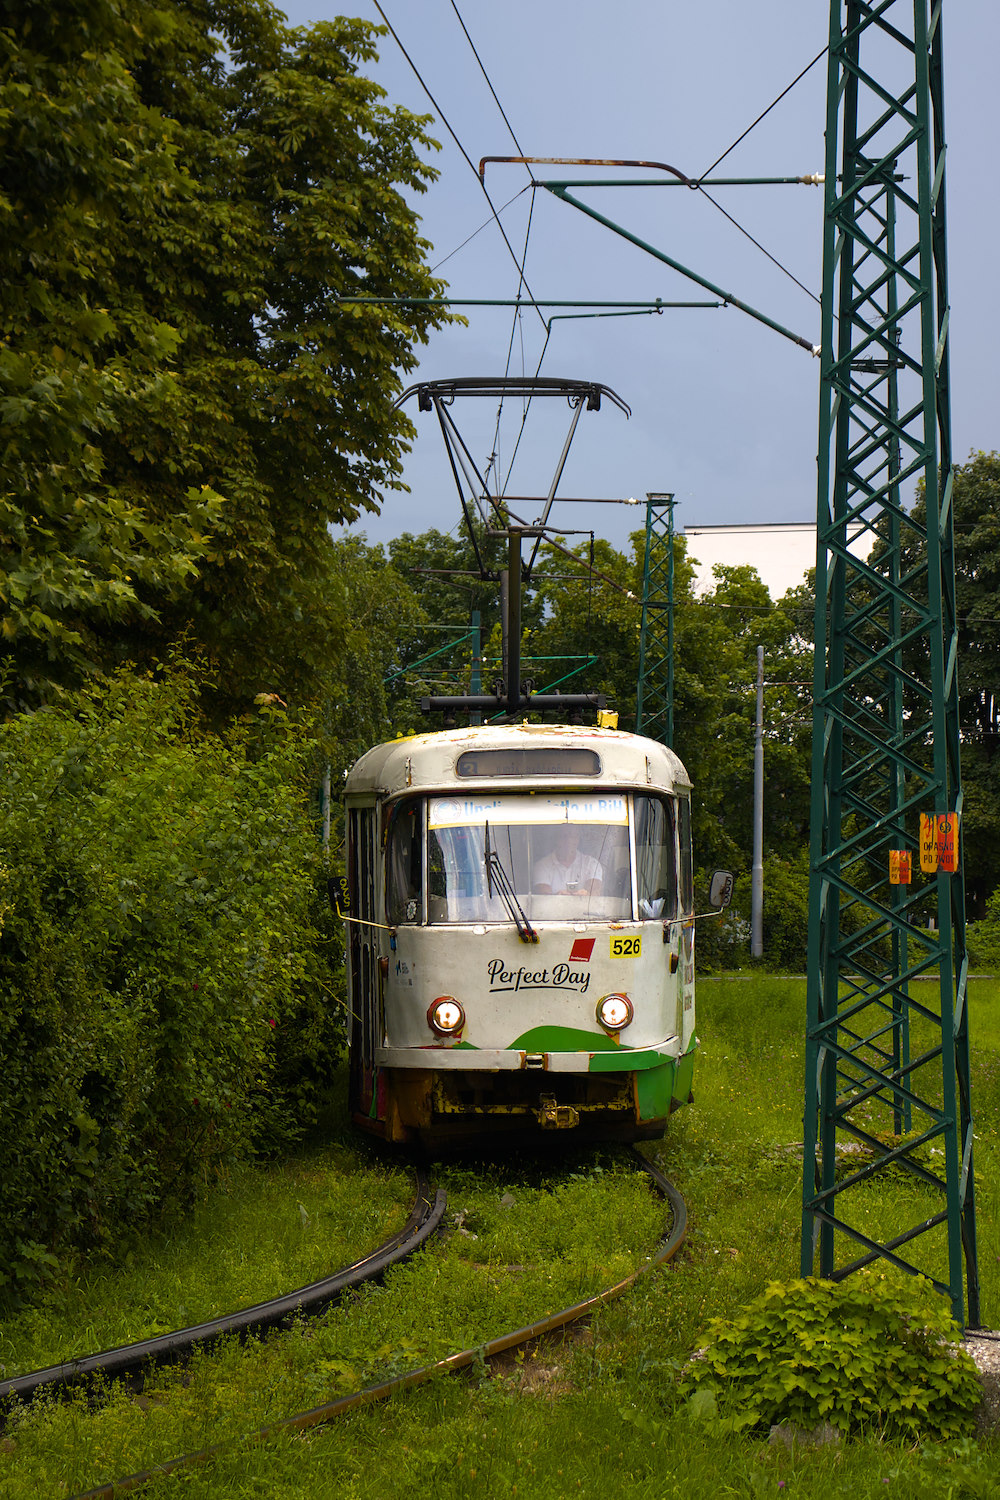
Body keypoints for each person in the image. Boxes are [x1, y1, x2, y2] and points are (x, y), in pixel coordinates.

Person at [533, 824, 603, 898]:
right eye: (564, 836)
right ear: (556, 839)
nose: (569, 841)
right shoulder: (542, 866)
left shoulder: (591, 864)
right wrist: (558, 897)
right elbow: (543, 899)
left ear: (578, 839)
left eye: (573, 836)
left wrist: (586, 895)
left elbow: (595, 894)